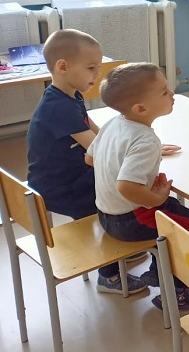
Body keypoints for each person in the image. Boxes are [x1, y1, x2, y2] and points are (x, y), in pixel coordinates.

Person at [26, 29, 147, 295]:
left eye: (98, 67)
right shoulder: (59, 107)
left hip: (68, 175)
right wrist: (139, 154)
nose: (98, 74)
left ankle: (119, 248)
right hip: (59, 187)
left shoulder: (69, 95)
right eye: (91, 68)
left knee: (120, 183)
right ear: (63, 67)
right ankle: (109, 276)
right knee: (112, 195)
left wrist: (131, 144)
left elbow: (98, 134)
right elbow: (98, 151)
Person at [87, 62, 189, 311]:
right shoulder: (146, 140)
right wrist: (156, 198)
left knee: (176, 212)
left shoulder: (113, 123)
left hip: (105, 214)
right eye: (164, 91)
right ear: (141, 108)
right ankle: (176, 290)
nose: (172, 93)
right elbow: (126, 187)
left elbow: (90, 158)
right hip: (131, 219)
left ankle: (158, 270)